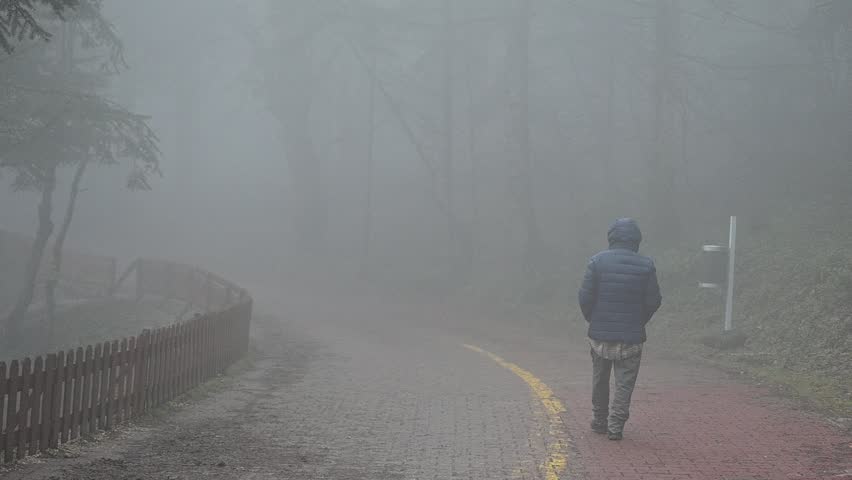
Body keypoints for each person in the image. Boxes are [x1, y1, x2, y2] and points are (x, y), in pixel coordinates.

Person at [578, 218, 662, 440]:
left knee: (600, 379)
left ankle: (599, 420)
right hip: (631, 337)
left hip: (600, 334)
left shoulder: (597, 261)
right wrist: (638, 320)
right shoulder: (646, 265)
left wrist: (593, 319)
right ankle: (616, 427)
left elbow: (585, 297)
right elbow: (654, 300)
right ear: (636, 240)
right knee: (624, 384)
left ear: (611, 237)